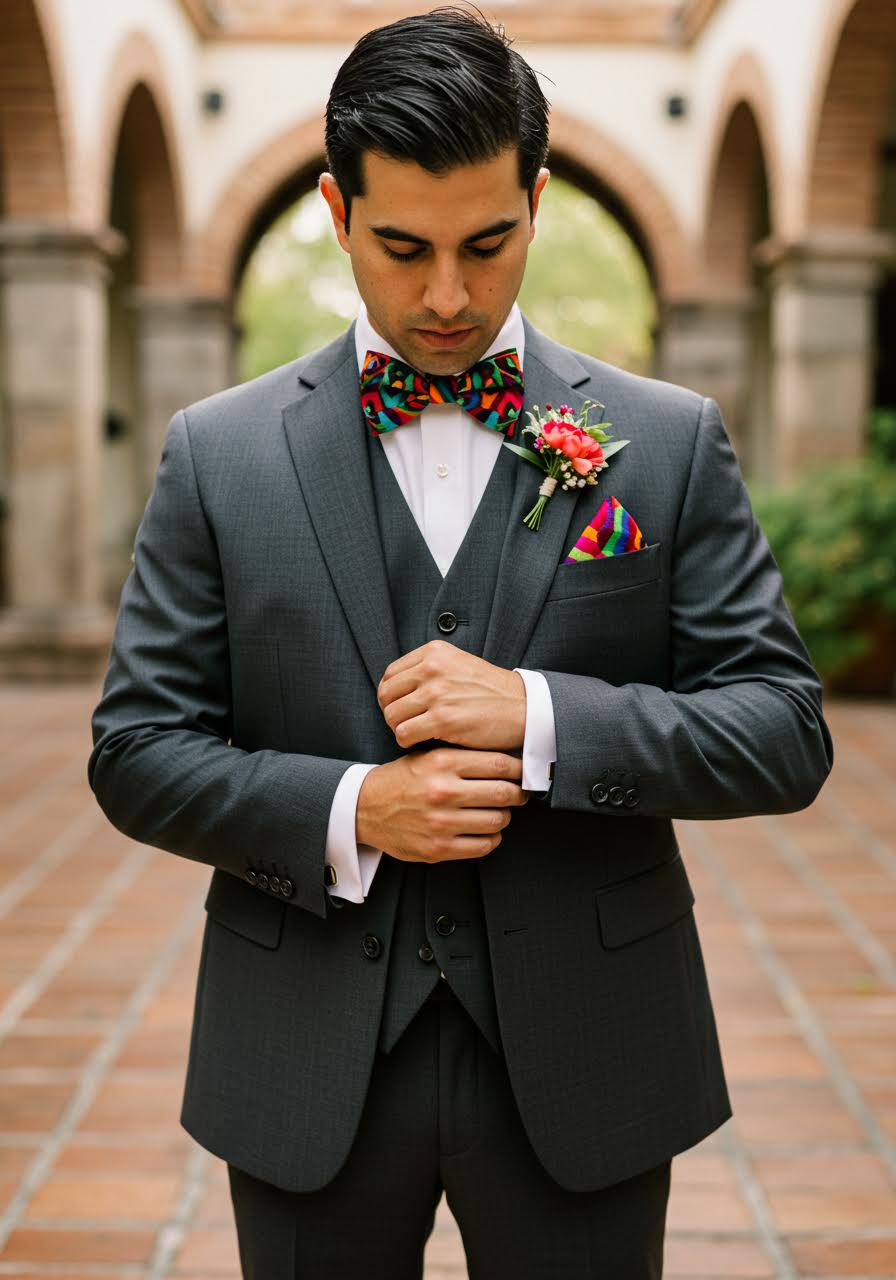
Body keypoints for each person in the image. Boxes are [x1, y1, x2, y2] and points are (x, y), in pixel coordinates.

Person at [88, 6, 833, 1277]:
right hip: (304, 1048)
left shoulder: (664, 438)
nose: (446, 296)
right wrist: (354, 807)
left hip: (591, 1048)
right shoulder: (218, 453)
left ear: (536, 201)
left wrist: (542, 719)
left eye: (488, 244)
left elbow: (780, 727)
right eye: (400, 247)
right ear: (335, 209)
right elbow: (135, 750)